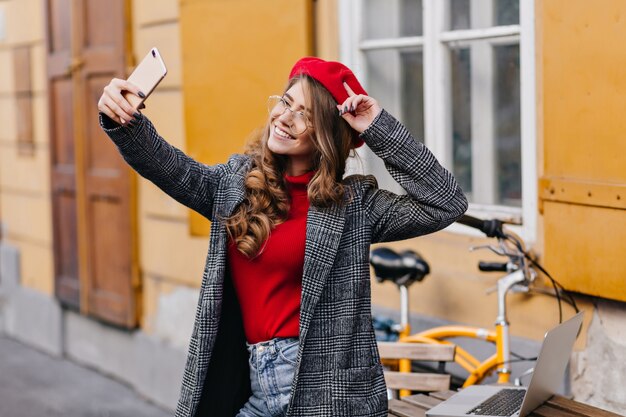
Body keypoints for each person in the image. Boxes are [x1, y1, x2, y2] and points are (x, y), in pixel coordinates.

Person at [97, 57, 468, 417]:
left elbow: (446, 202)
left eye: (304, 115)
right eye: (286, 102)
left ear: (326, 135)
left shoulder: (354, 206)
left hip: (325, 394)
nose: (284, 118)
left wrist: (377, 126)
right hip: (256, 383)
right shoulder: (235, 185)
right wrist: (123, 120)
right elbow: (171, 168)